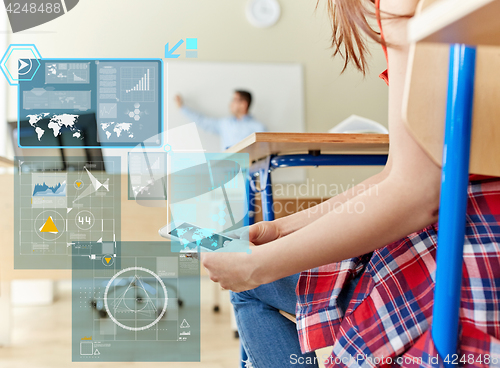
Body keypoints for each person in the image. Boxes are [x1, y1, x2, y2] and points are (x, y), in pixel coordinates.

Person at [200, 0, 500, 367]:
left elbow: (415, 193)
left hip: (464, 248)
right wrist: (280, 228)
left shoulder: (403, 8)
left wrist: (258, 267)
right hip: (471, 219)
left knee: (252, 287)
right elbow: (398, 178)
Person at [175, 90, 266, 150]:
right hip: (226, 172)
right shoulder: (225, 124)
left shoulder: (258, 127)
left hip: (249, 174)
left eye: (234, 100)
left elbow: (264, 151)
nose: (230, 104)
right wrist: (183, 108)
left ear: (243, 104)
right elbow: (203, 121)